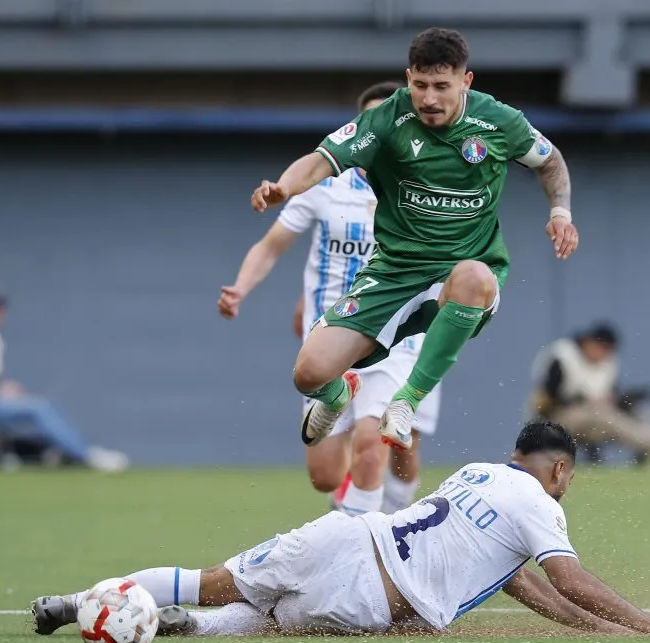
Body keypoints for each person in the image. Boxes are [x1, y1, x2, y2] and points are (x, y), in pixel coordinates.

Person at [220, 27, 579, 453]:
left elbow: (550, 160)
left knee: (473, 276)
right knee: (309, 372)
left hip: (464, 274)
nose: (429, 98)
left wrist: (560, 211)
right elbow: (321, 161)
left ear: (466, 81)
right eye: (420, 85)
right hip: (395, 272)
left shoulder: (499, 122)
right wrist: (284, 188)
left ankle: (406, 402)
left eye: (442, 86)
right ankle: (338, 395)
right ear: (409, 77)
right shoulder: (388, 119)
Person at [31, 421, 650, 638]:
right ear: (561, 468)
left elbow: (513, 576)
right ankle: (187, 627)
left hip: (345, 534)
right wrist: (647, 627)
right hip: (374, 593)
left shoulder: (476, 473)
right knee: (278, 622)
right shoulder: (542, 502)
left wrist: (595, 628)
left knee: (214, 581)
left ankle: (81, 600)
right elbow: (565, 578)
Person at [218, 82, 440, 515]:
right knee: (325, 472)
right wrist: (240, 288)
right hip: (333, 335)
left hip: (394, 335)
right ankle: (366, 518)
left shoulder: (425, 188)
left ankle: (376, 546)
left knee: (379, 448)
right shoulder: (328, 187)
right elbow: (270, 246)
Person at [0, 287, 129, 471]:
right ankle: (87, 456)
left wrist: (2, 388)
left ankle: (70, 451)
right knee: (39, 409)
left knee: (42, 407)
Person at [528, 323, 650, 467]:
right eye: (601, 348)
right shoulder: (563, 355)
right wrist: (587, 401)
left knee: (637, 412)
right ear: (589, 342)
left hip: (593, 420)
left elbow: (609, 394)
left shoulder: (607, 362)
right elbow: (546, 400)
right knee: (603, 414)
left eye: (608, 350)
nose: (604, 354)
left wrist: (622, 400)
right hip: (553, 420)